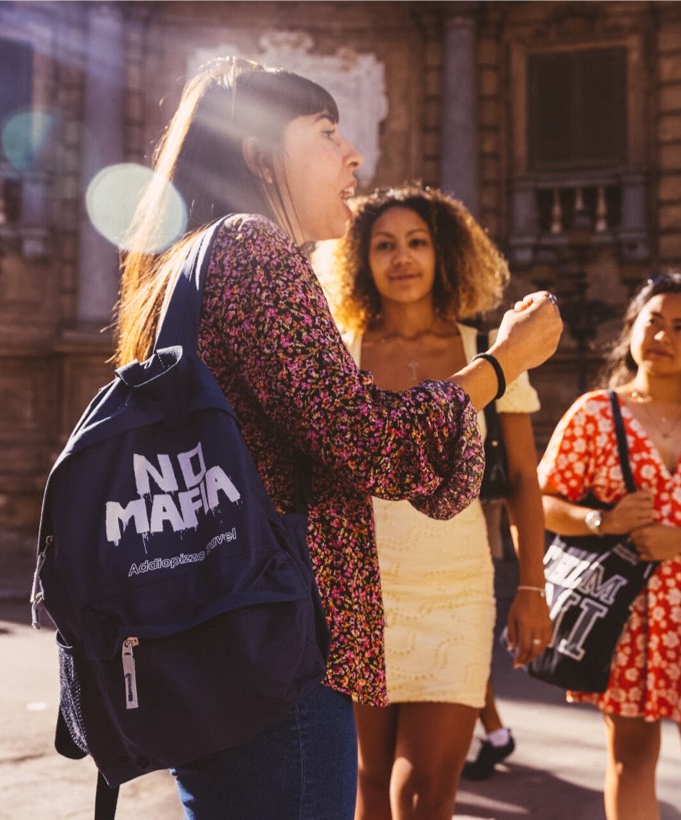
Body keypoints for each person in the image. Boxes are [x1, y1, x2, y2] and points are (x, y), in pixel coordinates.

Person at [112, 59, 562, 819]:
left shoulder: (180, 264)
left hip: (209, 634)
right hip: (276, 642)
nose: (353, 154)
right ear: (260, 153)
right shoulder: (255, 252)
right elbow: (370, 441)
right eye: (325, 132)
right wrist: (502, 363)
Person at [317, 184, 552, 818]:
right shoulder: (340, 352)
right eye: (384, 246)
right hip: (358, 592)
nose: (402, 258)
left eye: (417, 243)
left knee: (423, 796)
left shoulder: (494, 353)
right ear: (360, 262)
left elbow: (527, 480)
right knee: (366, 787)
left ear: (443, 254)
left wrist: (533, 586)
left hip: (457, 592)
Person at [538, 272, 681, 820]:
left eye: (680, 326)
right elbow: (541, 502)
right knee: (630, 761)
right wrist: (600, 520)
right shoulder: (593, 413)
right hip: (622, 609)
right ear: (632, 328)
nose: (663, 334)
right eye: (652, 321)